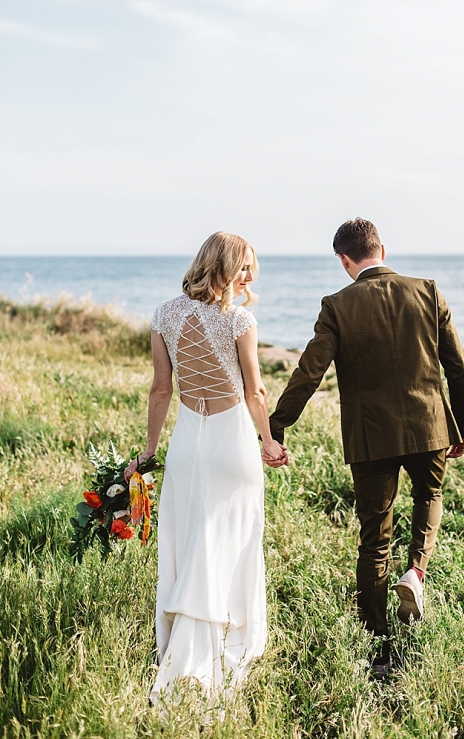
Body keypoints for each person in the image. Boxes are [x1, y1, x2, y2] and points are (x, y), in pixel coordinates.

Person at [268, 218, 464, 677]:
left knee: (373, 540)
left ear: (344, 260)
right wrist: (461, 425)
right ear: (382, 248)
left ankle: (378, 648)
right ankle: (416, 570)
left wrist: (276, 426)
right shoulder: (428, 290)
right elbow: (458, 367)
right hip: (429, 428)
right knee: (429, 497)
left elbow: (308, 372)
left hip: (370, 437)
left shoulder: (337, 305)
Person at [124, 232, 288, 705]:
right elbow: (255, 394)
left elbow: (160, 391)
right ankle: (225, 637)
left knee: (193, 535)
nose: (251, 277)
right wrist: (268, 441)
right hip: (231, 439)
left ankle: (183, 637)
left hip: (188, 440)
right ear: (221, 268)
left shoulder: (163, 315)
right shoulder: (239, 320)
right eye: (244, 267)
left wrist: (149, 450)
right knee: (232, 537)